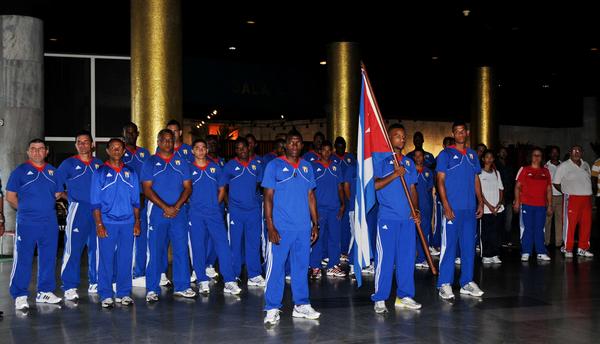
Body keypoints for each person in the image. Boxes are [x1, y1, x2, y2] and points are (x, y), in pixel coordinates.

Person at [262, 129, 320, 326]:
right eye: (291, 142)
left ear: (302, 145)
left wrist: (315, 224)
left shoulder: (307, 167)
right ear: (285, 145)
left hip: (303, 228)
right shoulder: (274, 165)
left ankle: (301, 305)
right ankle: (272, 307)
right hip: (281, 228)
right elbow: (268, 197)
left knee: (301, 267)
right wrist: (270, 225)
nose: (294, 146)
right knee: (276, 268)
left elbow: (311, 196)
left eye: (298, 142)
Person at [7, 139, 63, 310]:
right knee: (23, 258)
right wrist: (26, 210)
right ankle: (20, 294)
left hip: (49, 222)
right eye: (33, 149)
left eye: (40, 149)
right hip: (27, 222)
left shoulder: (53, 172)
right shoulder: (20, 172)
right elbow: (10, 197)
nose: (37, 152)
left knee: (48, 257)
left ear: (46, 152)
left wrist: (43, 206)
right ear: (28, 152)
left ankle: (44, 292)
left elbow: (58, 193)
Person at [141, 129, 196, 302]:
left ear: (174, 141)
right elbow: (147, 189)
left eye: (170, 140)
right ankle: (152, 288)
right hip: (158, 212)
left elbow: (188, 187)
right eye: (164, 140)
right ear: (158, 142)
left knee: (181, 249)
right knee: (156, 250)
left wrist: (176, 206)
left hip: (178, 212)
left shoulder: (181, 162)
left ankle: (182, 286)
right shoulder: (150, 162)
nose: (167, 143)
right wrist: (165, 207)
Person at [372, 124, 421, 313]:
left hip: (407, 219)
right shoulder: (381, 160)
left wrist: (415, 209)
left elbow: (413, 189)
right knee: (385, 259)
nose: (402, 139)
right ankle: (380, 297)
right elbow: (375, 186)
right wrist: (394, 174)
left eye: (403, 136)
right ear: (389, 138)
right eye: (397, 136)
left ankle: (405, 296)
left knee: (407, 258)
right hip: (388, 218)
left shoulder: (408, 163)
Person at [436, 121, 484, 300]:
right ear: (453, 135)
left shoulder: (472, 155)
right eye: (456, 132)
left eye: (462, 131)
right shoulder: (445, 154)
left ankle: (466, 282)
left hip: (469, 209)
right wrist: (446, 205)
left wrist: (480, 202)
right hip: (453, 209)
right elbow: (440, 180)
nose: (459, 134)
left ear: (467, 133)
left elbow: (476, 180)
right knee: (449, 246)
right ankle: (444, 283)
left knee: (468, 246)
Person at [91, 138, 140, 308]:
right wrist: (99, 224)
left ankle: (123, 293)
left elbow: (136, 201)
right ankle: (105, 294)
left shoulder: (131, 173)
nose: (117, 151)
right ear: (108, 151)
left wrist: (137, 222)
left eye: (120, 148)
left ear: (124, 151)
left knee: (126, 259)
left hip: (128, 222)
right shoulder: (100, 173)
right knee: (106, 258)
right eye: (113, 148)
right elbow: (95, 203)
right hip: (107, 222)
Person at [188, 139, 241, 295]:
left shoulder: (215, 168)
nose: (200, 150)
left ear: (206, 150)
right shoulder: (188, 169)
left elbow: (222, 189)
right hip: (196, 214)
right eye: (197, 148)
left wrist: (214, 204)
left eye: (203, 147)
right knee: (198, 247)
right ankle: (202, 280)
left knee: (223, 245)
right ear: (192, 151)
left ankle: (229, 281)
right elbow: (184, 189)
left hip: (214, 213)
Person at [55, 130, 103, 301]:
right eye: (79, 142)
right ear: (76, 145)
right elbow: (57, 188)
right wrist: (72, 200)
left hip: (97, 211)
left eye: (86, 142)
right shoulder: (67, 164)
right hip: (78, 211)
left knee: (96, 247)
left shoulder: (99, 164)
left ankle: (95, 281)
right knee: (73, 248)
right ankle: (69, 285)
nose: (83, 145)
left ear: (92, 145)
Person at [222, 138, 265, 287]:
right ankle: (234, 275)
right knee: (235, 244)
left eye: (244, 148)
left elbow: (259, 185)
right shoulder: (229, 166)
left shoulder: (256, 165)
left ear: (249, 148)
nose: (242, 151)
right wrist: (229, 205)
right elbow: (222, 188)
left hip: (253, 210)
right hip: (236, 212)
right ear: (236, 151)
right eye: (238, 149)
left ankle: (254, 275)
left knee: (253, 242)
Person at [309, 140, 346, 279]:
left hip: (334, 209)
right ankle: (315, 266)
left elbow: (340, 187)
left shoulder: (336, 167)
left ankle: (333, 266)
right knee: (317, 237)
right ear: (320, 151)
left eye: (328, 150)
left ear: (331, 151)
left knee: (335, 238)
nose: (326, 152)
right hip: (319, 210)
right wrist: (313, 211)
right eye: (323, 150)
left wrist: (343, 205)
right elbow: (310, 191)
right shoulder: (313, 167)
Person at [122, 122, 151, 284]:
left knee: (141, 237)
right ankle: (124, 273)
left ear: (137, 134)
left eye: (133, 133)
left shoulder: (144, 154)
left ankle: (139, 273)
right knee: (124, 238)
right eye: (128, 132)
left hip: (142, 202)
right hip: (123, 204)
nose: (131, 135)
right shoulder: (119, 152)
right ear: (123, 134)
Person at [553, 145, 594, 258]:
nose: (576, 153)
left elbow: (587, 179)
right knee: (570, 224)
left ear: (582, 153)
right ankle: (568, 248)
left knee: (586, 224)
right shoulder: (564, 166)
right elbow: (556, 182)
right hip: (572, 198)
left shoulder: (586, 165)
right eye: (574, 151)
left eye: (579, 151)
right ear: (570, 153)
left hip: (586, 198)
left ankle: (582, 248)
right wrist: (565, 191)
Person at [514, 147, 552, 262]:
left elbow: (549, 189)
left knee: (540, 228)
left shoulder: (545, 171)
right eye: (534, 155)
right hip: (527, 204)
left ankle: (541, 252)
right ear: (531, 157)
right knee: (528, 228)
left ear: (542, 158)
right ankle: (526, 251)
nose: (536, 157)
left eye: (539, 155)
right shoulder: (525, 170)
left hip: (541, 205)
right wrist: (517, 202)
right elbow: (517, 187)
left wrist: (550, 205)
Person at [331, 136, 356, 262]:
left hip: (349, 196)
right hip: (334, 195)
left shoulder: (350, 158)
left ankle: (346, 250)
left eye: (343, 147)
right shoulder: (331, 158)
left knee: (348, 226)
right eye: (339, 147)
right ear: (335, 147)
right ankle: (337, 251)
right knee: (337, 224)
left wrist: (350, 198)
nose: (341, 149)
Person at [478, 150, 504, 264]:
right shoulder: (479, 174)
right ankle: (486, 255)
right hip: (486, 209)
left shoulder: (496, 173)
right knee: (486, 232)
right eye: (486, 157)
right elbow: (479, 193)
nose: (489, 159)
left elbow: (501, 189)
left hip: (497, 208)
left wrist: (498, 204)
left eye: (491, 157)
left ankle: (495, 254)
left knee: (496, 233)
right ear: (483, 159)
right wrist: (489, 206)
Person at [431, 136, 455, 253]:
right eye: (447, 144)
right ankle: (437, 243)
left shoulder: (456, 157)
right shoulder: (441, 157)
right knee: (439, 221)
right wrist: (438, 193)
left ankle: (450, 244)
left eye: (451, 144)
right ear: (443, 145)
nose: (449, 146)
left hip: (452, 195)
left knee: (450, 221)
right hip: (441, 195)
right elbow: (437, 177)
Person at [413, 148, 434, 270]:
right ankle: (413, 257)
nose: (418, 158)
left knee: (424, 232)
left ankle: (421, 258)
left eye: (420, 156)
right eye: (416, 156)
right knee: (413, 232)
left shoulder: (428, 172)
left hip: (426, 206)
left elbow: (430, 190)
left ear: (423, 157)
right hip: (413, 207)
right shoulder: (409, 171)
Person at [496, 146, 516, 247]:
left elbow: (513, 182)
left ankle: (507, 239)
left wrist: (514, 197)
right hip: (498, 197)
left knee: (509, 220)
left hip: (509, 197)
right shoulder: (495, 166)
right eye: (501, 152)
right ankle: (500, 240)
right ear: (498, 154)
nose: (503, 154)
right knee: (499, 220)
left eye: (505, 152)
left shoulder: (510, 166)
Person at [544, 146, 563, 248]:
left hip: (561, 196)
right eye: (553, 153)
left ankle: (558, 243)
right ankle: (546, 242)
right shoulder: (545, 167)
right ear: (549, 154)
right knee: (547, 220)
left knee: (560, 220)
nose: (555, 154)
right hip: (549, 197)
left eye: (557, 152)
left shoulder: (564, 165)